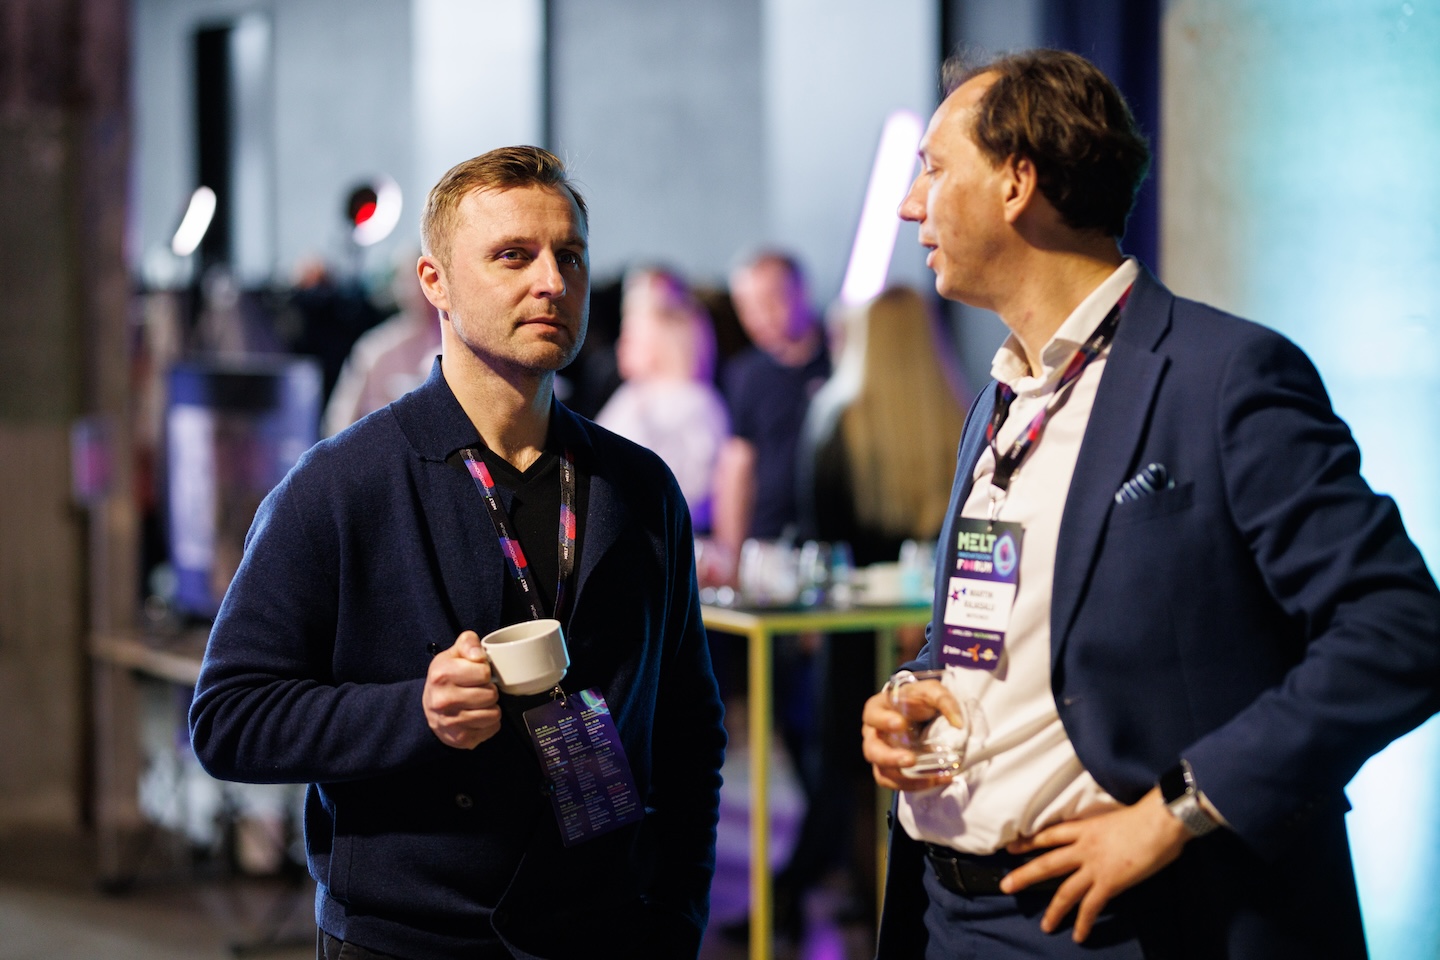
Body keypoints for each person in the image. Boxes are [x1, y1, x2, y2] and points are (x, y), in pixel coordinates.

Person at [861, 50, 1440, 959]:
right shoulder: (1000, 398)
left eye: (933, 168)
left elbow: (1400, 629)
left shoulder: (1222, 376)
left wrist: (1178, 809)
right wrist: (914, 691)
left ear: (1017, 182)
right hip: (947, 913)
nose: (909, 204)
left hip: (1133, 926)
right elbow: (996, 625)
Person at [189, 146, 726, 960]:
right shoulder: (341, 486)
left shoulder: (638, 489)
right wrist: (416, 712)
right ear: (434, 282)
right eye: (513, 255)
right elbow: (229, 719)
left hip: (606, 931)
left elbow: (690, 732)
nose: (552, 282)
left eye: (569, 256)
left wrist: (677, 917)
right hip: (410, 937)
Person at [763, 285, 969, 937]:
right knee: (916, 763)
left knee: (846, 763)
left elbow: (819, 535)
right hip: (929, 623)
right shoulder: (960, 415)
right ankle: (879, 899)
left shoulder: (837, 419)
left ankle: (831, 895)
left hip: (848, 624)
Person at [710, 251, 830, 576]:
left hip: (836, 540)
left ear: (801, 292)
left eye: (770, 301)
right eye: (747, 307)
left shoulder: (843, 357)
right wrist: (731, 559)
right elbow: (737, 465)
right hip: (770, 546)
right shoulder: (746, 374)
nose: (759, 317)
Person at [595, 267, 729, 532]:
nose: (620, 346)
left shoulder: (695, 403)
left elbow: (691, 493)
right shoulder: (631, 395)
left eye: (630, 335)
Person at [321, 247, 442, 437]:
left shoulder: (462, 346)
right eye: (410, 280)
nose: (416, 290)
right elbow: (340, 422)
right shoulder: (375, 350)